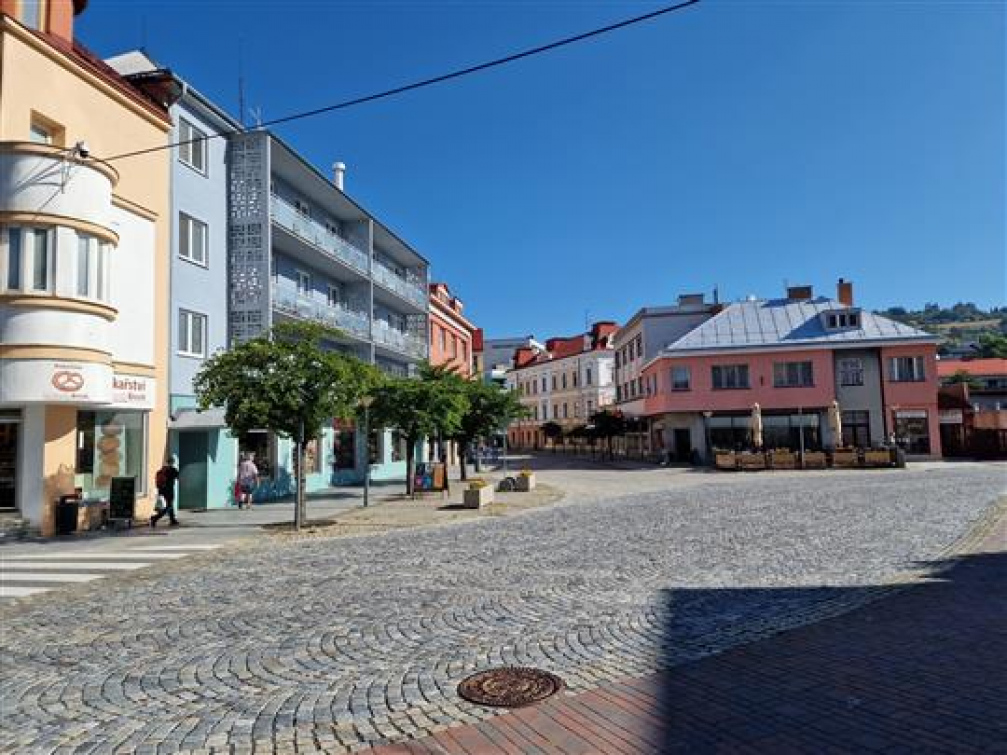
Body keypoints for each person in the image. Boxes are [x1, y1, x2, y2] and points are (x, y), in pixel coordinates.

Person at [150, 456, 180, 527]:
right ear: (173, 462)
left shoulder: (162, 470)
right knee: (169, 506)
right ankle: (155, 518)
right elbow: (178, 478)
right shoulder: (173, 470)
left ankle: (172, 520)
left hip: (162, 490)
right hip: (169, 490)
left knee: (170, 505)